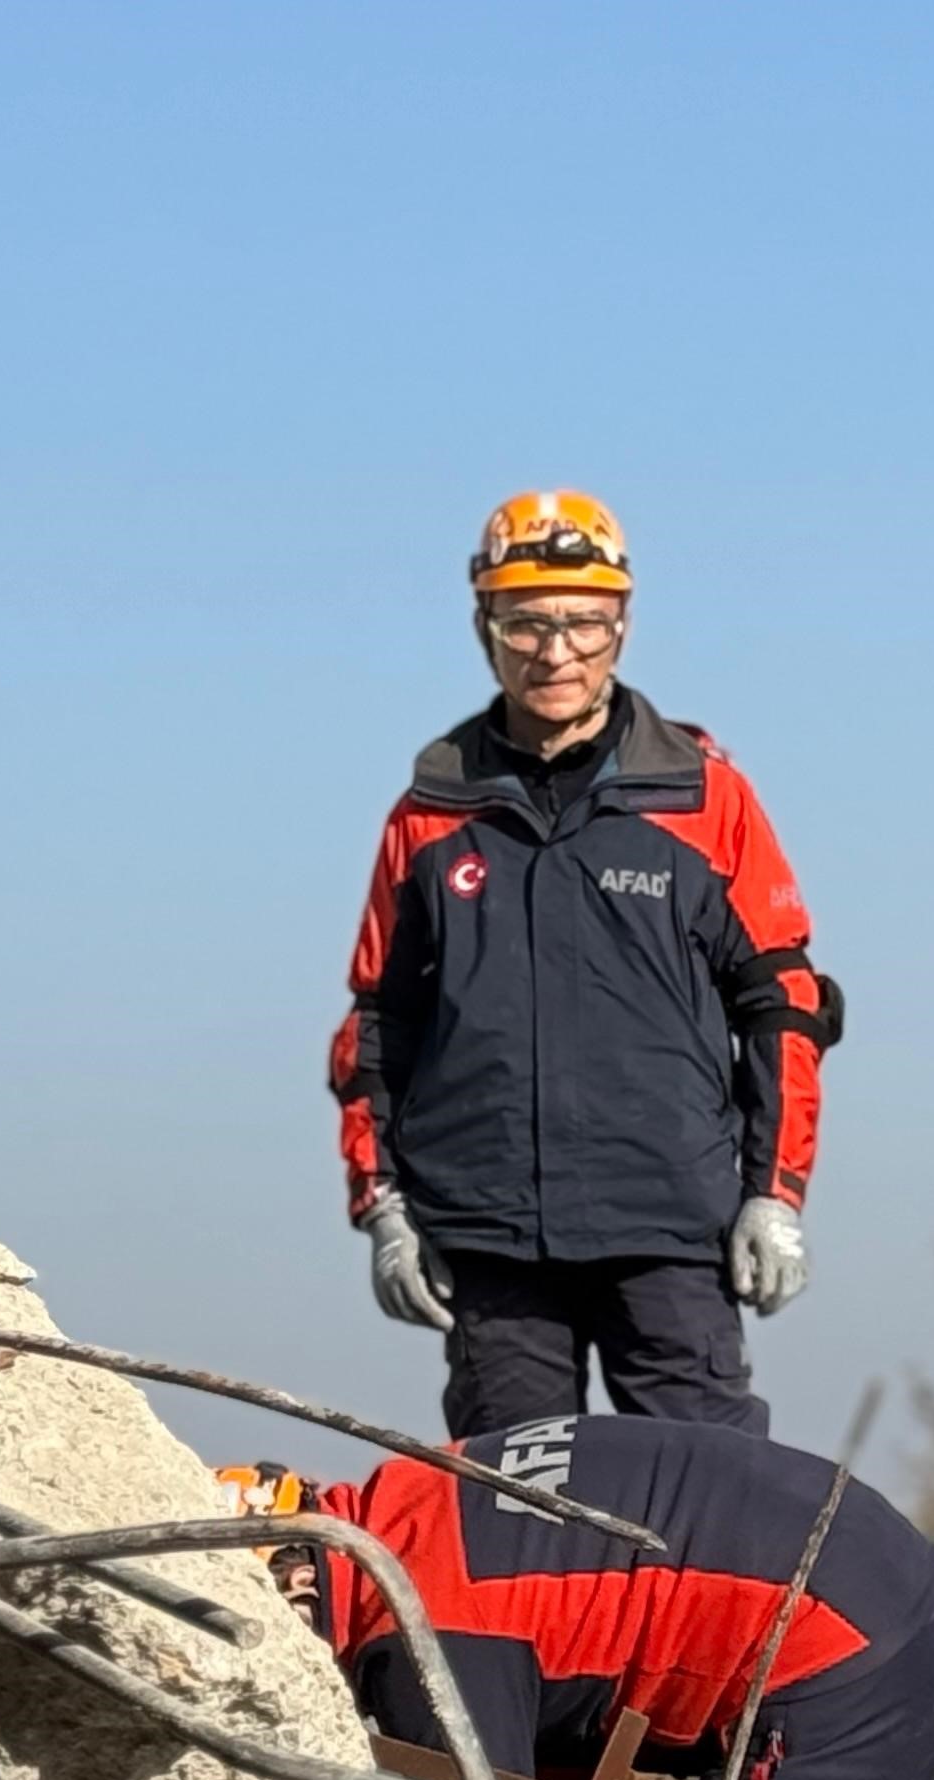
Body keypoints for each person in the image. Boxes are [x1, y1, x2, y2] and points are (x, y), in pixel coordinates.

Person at [327, 490, 845, 1439]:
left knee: (708, 1507)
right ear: (486, 625)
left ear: (622, 624)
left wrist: (774, 1196)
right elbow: (376, 1027)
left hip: (671, 1229)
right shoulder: (432, 812)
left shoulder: (705, 799)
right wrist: (385, 1205)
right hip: (489, 1239)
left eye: (584, 623)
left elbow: (784, 1007)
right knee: (516, 1521)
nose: (555, 652)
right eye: (527, 622)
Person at [242, 1411, 934, 1780]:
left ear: (300, 1576)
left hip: (836, 1641)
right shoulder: (418, 1484)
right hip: (871, 1559)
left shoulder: (415, 1624)